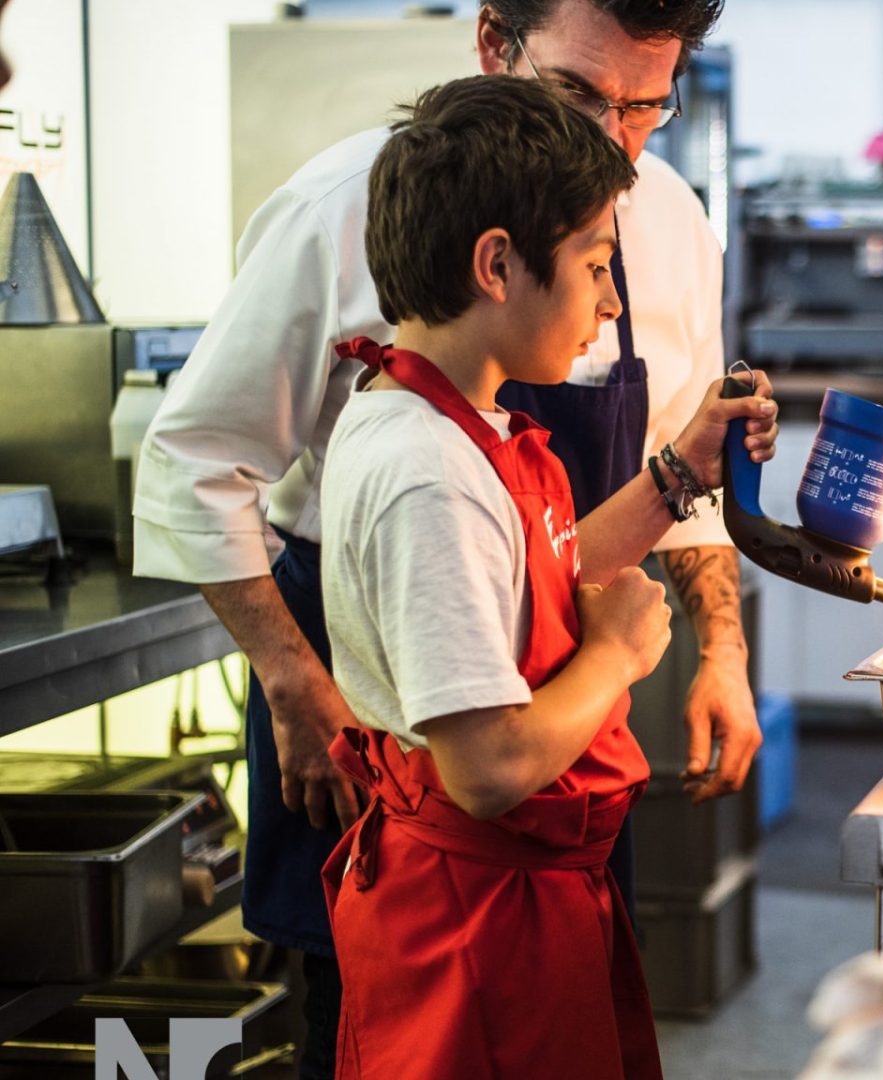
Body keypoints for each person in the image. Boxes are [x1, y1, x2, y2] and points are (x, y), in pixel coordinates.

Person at [132, 2, 749, 1075]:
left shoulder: (673, 223)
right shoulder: (348, 222)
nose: (614, 144)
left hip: (562, 728)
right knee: (384, 1019)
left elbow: (562, 542)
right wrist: (295, 682)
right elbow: (194, 460)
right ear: (492, 45)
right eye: (579, 98)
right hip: (397, 735)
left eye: (647, 108)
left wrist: (719, 646)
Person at [317, 75, 776, 1078]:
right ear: (497, 265)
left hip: (525, 903)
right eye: (595, 264)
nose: (613, 301)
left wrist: (683, 466)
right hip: (474, 925)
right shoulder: (426, 473)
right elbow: (485, 769)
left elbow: (544, 570)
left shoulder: (460, 421)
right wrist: (616, 658)